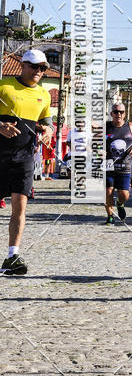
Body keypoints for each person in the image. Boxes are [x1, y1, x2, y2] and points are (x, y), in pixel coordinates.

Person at [0, 50, 54, 275]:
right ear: (23, 65)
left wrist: (49, 131)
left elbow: (47, 121)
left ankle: (12, 256)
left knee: (19, 207)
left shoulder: (44, 94)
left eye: (42, 68)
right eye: (34, 66)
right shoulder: (4, 86)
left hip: (25, 156)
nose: (38, 72)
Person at [105, 104, 132, 225]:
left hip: (125, 165)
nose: (118, 114)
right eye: (116, 112)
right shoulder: (106, 127)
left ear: (125, 113)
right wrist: (98, 150)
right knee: (108, 191)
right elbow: (94, 142)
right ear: (111, 114)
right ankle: (110, 216)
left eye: (121, 112)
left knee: (124, 194)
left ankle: (120, 204)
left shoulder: (130, 127)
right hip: (109, 165)